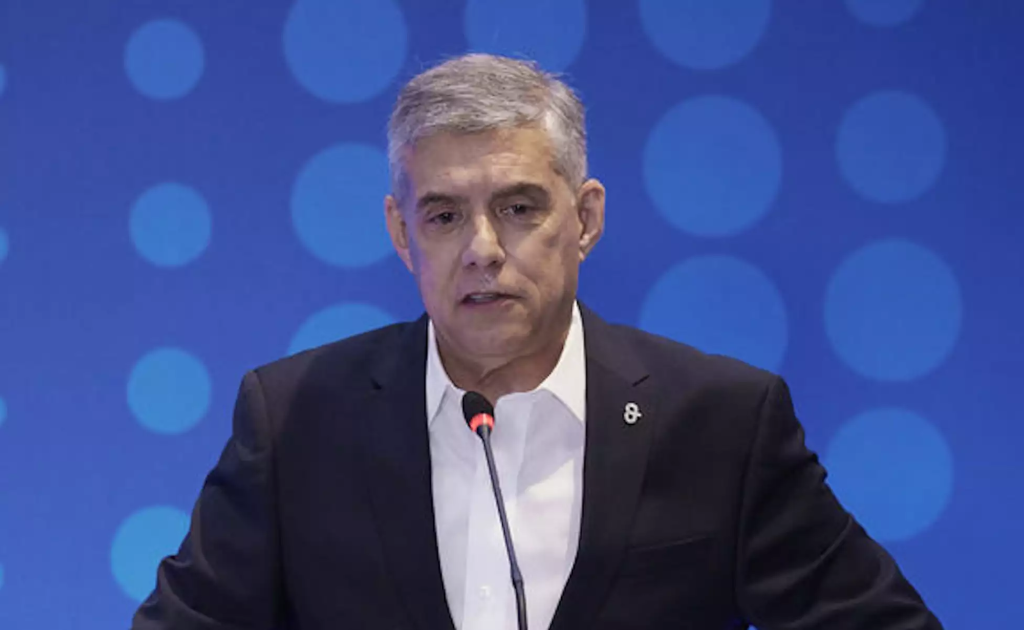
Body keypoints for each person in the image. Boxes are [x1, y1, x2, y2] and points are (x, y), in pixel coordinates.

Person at [132, 53, 943, 630]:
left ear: (585, 218)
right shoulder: (295, 420)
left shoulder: (722, 422)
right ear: (402, 234)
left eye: (519, 208)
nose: (482, 249)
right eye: (444, 215)